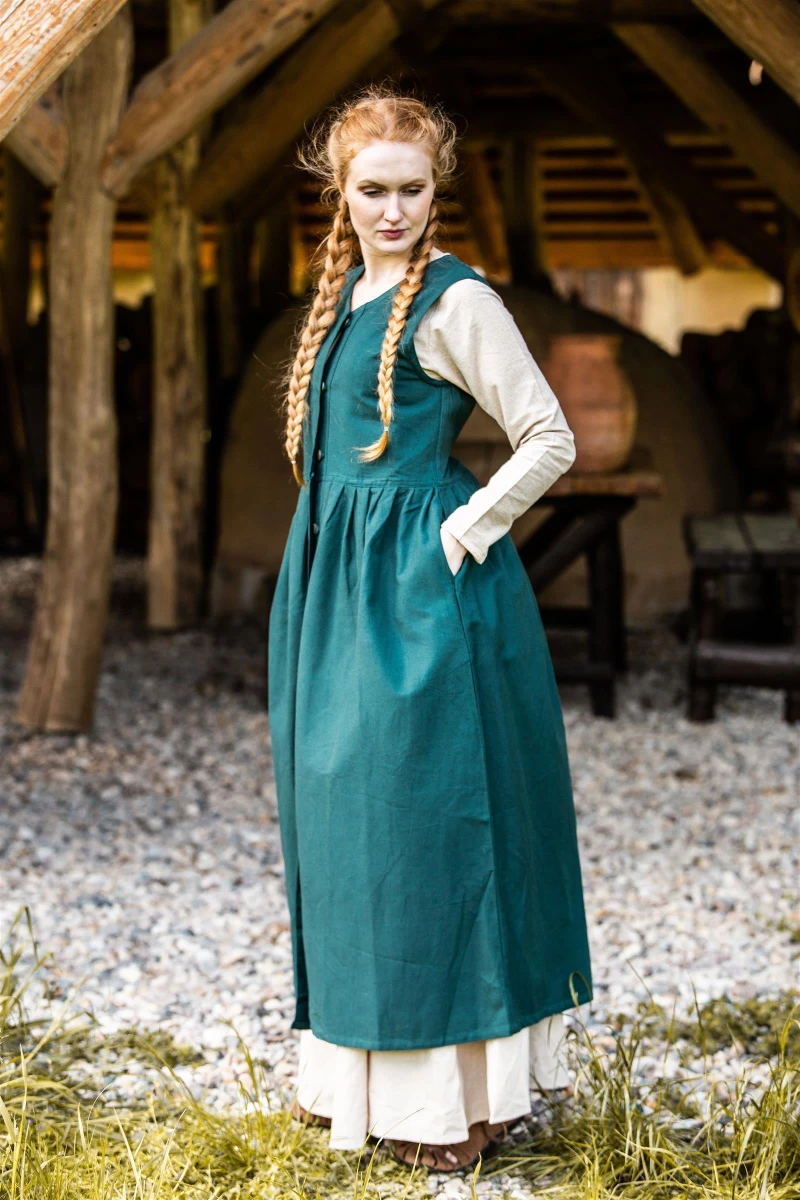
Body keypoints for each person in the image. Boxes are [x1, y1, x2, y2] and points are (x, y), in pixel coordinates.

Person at [267, 85, 593, 1172]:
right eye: (373, 190)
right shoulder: (348, 295)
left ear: (434, 189)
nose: (393, 210)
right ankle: (356, 1082)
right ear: (341, 191)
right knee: (343, 826)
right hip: (335, 591)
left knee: (422, 828)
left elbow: (548, 436)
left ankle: (456, 1103)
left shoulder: (456, 302)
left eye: (411, 190)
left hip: (418, 599)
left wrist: (458, 532)